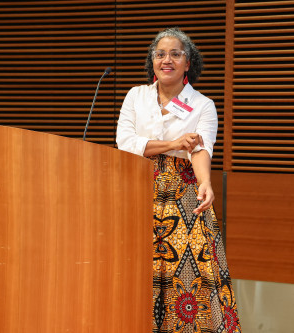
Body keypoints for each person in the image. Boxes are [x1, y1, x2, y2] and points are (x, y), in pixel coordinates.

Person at [116, 27, 242, 333]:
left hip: (182, 195)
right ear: (153, 61)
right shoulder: (136, 96)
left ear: (188, 63)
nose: (166, 60)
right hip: (136, 186)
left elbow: (200, 150)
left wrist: (206, 184)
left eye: (175, 53)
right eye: (160, 54)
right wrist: (174, 144)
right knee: (135, 266)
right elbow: (125, 142)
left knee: (185, 273)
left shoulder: (202, 104)